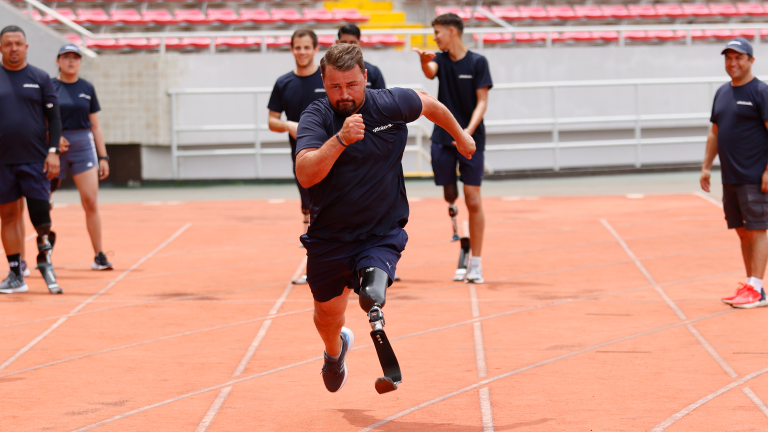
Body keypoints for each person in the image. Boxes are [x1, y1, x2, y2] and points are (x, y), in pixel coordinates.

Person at [295, 43, 475, 392]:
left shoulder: (390, 104)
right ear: (323, 81)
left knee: (371, 287)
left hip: (381, 231)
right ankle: (335, 352)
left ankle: (373, 298)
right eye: (335, 87)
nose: (344, 94)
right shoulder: (316, 116)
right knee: (328, 317)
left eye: (351, 85)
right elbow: (305, 173)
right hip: (330, 237)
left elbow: (430, 104)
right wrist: (340, 140)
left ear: (365, 77)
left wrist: (462, 136)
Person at [413, 13, 492, 284]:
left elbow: (482, 102)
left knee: (473, 198)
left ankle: (476, 262)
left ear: (452, 31)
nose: (434, 37)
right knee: (449, 193)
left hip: (471, 138)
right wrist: (424, 62)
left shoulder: (478, 62)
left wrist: (466, 132)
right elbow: (430, 71)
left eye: (437, 32)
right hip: (443, 139)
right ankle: (461, 233)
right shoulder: (441, 59)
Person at [702, 37, 768, 309]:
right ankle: (750, 285)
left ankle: (758, 289)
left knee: (758, 230)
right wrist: (706, 166)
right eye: (728, 58)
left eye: (739, 57)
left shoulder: (761, 92)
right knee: (742, 231)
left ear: (751, 61)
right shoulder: (722, 92)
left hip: (754, 176)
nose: (733, 62)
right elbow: (715, 133)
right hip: (730, 177)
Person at [0, 25, 62, 294]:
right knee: (9, 216)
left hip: (36, 159)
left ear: (26, 47)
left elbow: (55, 118)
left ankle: (45, 259)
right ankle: (16, 273)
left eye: (18, 43)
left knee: (41, 218)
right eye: (7, 44)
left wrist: (53, 151)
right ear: (1, 48)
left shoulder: (40, 77)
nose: (13, 48)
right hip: (2, 162)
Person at [267, 29, 325, 285]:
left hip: (331, 155)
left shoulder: (326, 79)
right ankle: (313, 266)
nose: (302, 52)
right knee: (309, 210)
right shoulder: (283, 83)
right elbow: (271, 121)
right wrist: (290, 125)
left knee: (331, 209)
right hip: (301, 158)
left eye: (306, 47)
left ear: (315, 49)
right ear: (291, 49)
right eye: (297, 47)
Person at [52, 43, 113, 270]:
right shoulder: (49, 86)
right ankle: (43, 253)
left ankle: (99, 254)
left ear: (80, 62)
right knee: (43, 202)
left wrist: (103, 156)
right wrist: (52, 138)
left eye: (75, 57)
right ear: (58, 61)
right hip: (55, 147)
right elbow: (40, 119)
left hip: (82, 146)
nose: (71, 61)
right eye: (66, 57)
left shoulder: (87, 87)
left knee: (90, 201)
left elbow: (95, 126)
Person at [336, 24, 387, 90]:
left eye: (353, 43)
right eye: (344, 42)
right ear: (337, 43)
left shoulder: (373, 72)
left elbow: (382, 99)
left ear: (360, 44)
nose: (348, 46)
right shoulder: (328, 71)